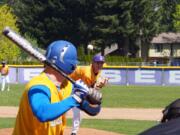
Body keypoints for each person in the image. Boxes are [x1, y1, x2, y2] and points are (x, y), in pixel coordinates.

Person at [13, 40, 101, 135]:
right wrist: (75, 99)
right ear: (70, 65)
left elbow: (93, 110)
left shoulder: (66, 85)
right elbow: (42, 113)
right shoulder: (39, 85)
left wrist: (94, 100)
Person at [70, 54, 108, 135]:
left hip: (77, 87)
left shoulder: (98, 70)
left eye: (101, 63)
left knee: (78, 110)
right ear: (93, 63)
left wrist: (99, 85)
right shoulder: (87, 72)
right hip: (68, 84)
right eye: (98, 63)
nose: (100, 65)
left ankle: (74, 133)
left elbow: (91, 86)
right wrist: (97, 86)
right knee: (73, 108)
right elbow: (88, 90)